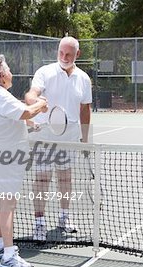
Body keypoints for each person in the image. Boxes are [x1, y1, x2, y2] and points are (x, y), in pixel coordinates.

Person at [0, 54, 48, 267]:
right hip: (5, 159)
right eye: (8, 69)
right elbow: (25, 111)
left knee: (2, 203)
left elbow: (16, 116)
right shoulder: (0, 95)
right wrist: (41, 103)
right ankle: (9, 256)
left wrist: (31, 124)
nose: (11, 72)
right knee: (8, 205)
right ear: (1, 76)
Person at [25, 36, 92, 240]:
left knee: (65, 178)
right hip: (45, 134)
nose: (64, 57)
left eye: (69, 54)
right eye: (61, 53)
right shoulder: (44, 72)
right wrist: (36, 101)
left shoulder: (84, 78)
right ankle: (39, 223)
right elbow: (30, 95)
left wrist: (85, 139)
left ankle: (63, 218)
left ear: (77, 55)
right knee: (42, 179)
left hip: (70, 134)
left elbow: (85, 109)